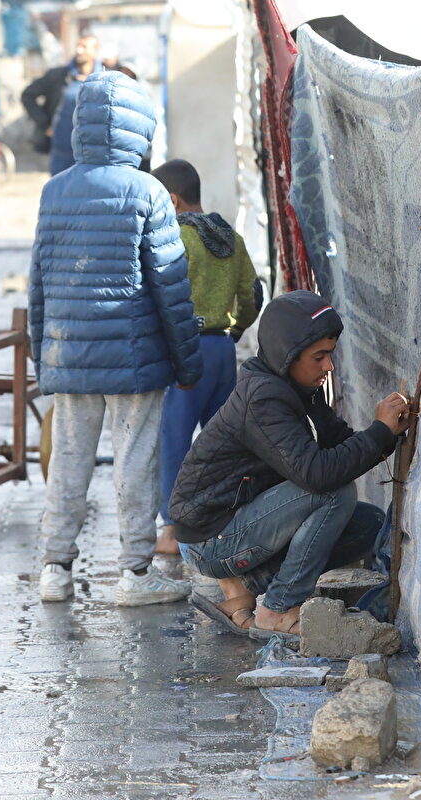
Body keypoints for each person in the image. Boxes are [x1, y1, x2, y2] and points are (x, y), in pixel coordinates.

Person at [28, 71, 203, 605]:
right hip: (134, 360)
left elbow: (37, 281)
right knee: (135, 462)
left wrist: (44, 356)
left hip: (70, 355)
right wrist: (187, 361)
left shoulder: (54, 190)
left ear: (81, 125)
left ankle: (55, 571)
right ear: (138, 129)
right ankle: (134, 574)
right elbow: (170, 285)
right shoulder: (148, 191)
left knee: (68, 461)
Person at [170, 291, 410, 639]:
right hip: (210, 538)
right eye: (319, 357)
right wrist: (378, 432)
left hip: (235, 524)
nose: (328, 366)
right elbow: (319, 475)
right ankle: (278, 609)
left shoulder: (297, 389)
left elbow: (340, 442)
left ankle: (244, 590)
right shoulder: (264, 398)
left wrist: (387, 434)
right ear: (288, 356)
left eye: (330, 356)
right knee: (332, 493)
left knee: (366, 524)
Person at [149, 159, 260, 558]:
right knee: (221, 445)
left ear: (172, 200)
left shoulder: (173, 238)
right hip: (222, 351)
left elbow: (159, 297)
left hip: (184, 354)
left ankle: (172, 532)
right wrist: (236, 331)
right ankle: (221, 525)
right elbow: (253, 295)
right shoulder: (229, 235)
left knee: (175, 442)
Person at [20, 34, 101, 175]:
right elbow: (28, 95)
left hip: (93, 151)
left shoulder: (105, 79)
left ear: (95, 51)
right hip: (62, 150)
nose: (79, 51)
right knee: (59, 192)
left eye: (84, 47)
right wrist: (45, 124)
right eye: (78, 46)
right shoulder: (58, 76)